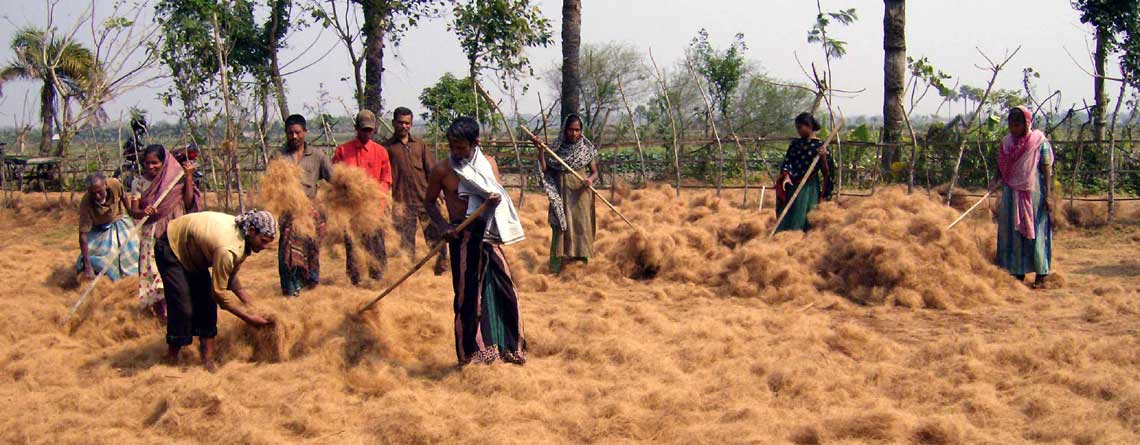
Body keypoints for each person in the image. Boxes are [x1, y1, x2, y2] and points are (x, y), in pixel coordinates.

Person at [425, 116, 526, 366]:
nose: (456, 151)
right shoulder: (442, 170)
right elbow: (428, 202)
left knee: (504, 290)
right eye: (452, 146)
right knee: (467, 297)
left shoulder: (488, 164)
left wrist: (493, 201)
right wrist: (444, 226)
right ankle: (472, 354)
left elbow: (498, 195)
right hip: (462, 238)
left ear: (475, 143)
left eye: (461, 147)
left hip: (489, 236)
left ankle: (508, 347)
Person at [156, 210, 275, 371]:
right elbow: (219, 293)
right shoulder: (228, 248)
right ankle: (171, 357)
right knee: (182, 307)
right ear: (252, 231)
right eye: (263, 241)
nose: (265, 246)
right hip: (171, 247)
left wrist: (251, 305)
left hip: (194, 252)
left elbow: (230, 278)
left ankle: (208, 359)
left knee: (207, 305)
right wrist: (248, 318)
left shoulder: (244, 240)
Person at [128, 145, 201, 319]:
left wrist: (189, 177)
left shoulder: (176, 180)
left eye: (155, 163)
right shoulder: (138, 183)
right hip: (151, 233)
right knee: (154, 273)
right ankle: (162, 314)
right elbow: (133, 211)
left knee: (176, 271)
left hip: (175, 228)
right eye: (147, 163)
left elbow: (189, 202)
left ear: (164, 162)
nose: (151, 167)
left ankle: (178, 310)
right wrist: (143, 212)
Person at [992, 106, 1054, 288]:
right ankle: (1015, 272)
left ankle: (1041, 274)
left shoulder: (1038, 141)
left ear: (1026, 124)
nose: (1013, 129)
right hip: (1011, 192)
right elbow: (1001, 164)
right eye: (1011, 125)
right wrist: (996, 180)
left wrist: (1048, 195)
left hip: (1033, 193)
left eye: (1017, 125)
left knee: (1035, 231)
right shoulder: (1006, 142)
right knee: (1012, 233)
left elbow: (1046, 167)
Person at [274, 114, 333, 297]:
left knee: (311, 253)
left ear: (305, 132)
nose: (294, 137)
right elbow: (271, 185)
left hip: (310, 215)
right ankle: (291, 293)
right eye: (290, 133)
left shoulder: (317, 155)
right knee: (288, 256)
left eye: (297, 132)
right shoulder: (278, 156)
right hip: (288, 214)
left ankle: (310, 289)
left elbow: (333, 179)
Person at [333, 110, 393, 285]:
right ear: (356, 128)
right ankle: (355, 281)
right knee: (353, 247)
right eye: (363, 129)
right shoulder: (343, 151)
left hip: (374, 210)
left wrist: (377, 200)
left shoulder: (381, 152)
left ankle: (378, 280)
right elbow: (335, 179)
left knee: (377, 246)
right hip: (350, 211)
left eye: (369, 130)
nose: (366, 133)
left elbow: (386, 179)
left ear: (374, 130)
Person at [385, 106, 446, 275]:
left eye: (407, 123)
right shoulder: (387, 148)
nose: (404, 126)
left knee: (437, 237)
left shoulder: (419, 145)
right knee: (405, 243)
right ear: (394, 123)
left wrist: (440, 191)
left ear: (411, 124)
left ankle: (440, 271)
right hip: (402, 202)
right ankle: (408, 274)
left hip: (426, 199)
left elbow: (432, 170)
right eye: (400, 123)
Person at [538, 114, 598, 273]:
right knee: (560, 228)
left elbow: (594, 172)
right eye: (571, 130)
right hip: (561, 195)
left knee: (580, 227)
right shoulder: (556, 149)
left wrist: (590, 180)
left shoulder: (586, 149)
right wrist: (541, 152)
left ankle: (580, 266)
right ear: (564, 130)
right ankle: (555, 268)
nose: (574, 134)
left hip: (581, 195)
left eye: (577, 130)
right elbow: (545, 169)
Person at [774, 112, 835, 232]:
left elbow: (827, 171)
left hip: (809, 186)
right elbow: (788, 162)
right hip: (792, 184)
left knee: (805, 212)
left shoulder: (820, 146)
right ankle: (787, 234)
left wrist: (823, 157)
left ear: (809, 126)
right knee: (790, 211)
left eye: (800, 127)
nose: (798, 131)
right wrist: (786, 175)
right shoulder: (796, 144)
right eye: (797, 128)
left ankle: (804, 234)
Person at [76, 173, 139, 281]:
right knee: (103, 256)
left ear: (105, 185)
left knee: (133, 250)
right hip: (99, 230)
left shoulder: (115, 184)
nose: (97, 196)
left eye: (100, 192)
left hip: (120, 222)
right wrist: (87, 266)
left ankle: (131, 276)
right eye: (93, 193)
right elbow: (83, 235)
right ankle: (111, 277)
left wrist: (131, 214)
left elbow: (123, 196)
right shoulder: (86, 202)